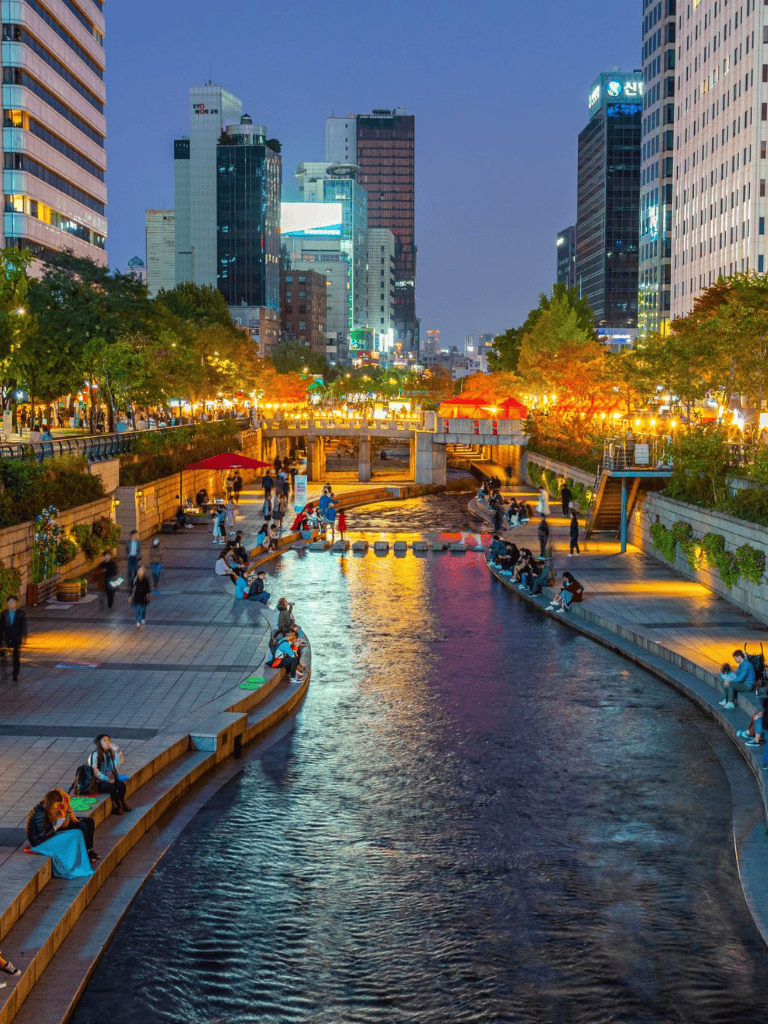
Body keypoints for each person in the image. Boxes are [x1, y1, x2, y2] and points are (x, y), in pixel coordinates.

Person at [26, 788, 96, 876]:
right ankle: (79, 859)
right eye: (57, 805)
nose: (58, 807)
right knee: (76, 833)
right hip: (39, 844)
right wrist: (55, 827)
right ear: (51, 803)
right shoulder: (40, 813)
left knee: (78, 832)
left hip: (46, 836)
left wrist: (65, 817)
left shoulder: (48, 808)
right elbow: (41, 837)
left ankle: (82, 857)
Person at [89, 734, 131, 815]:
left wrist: (117, 752)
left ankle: (122, 802)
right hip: (99, 781)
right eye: (104, 740)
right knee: (112, 788)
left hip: (110, 777)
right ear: (99, 743)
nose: (107, 742)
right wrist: (107, 779)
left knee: (122, 785)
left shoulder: (109, 753)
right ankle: (118, 804)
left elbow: (115, 765)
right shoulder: (95, 754)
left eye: (108, 740)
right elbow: (95, 772)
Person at [0, 596, 27, 681]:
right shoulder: (4, 614)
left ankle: (15, 673)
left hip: (16, 638)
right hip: (6, 638)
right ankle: (3, 672)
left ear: (17, 603)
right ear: (7, 604)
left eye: (14, 602)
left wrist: (24, 636)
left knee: (16, 657)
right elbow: (1, 627)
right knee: (3, 656)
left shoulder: (20, 614)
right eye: (10, 602)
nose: (12, 604)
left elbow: (24, 626)